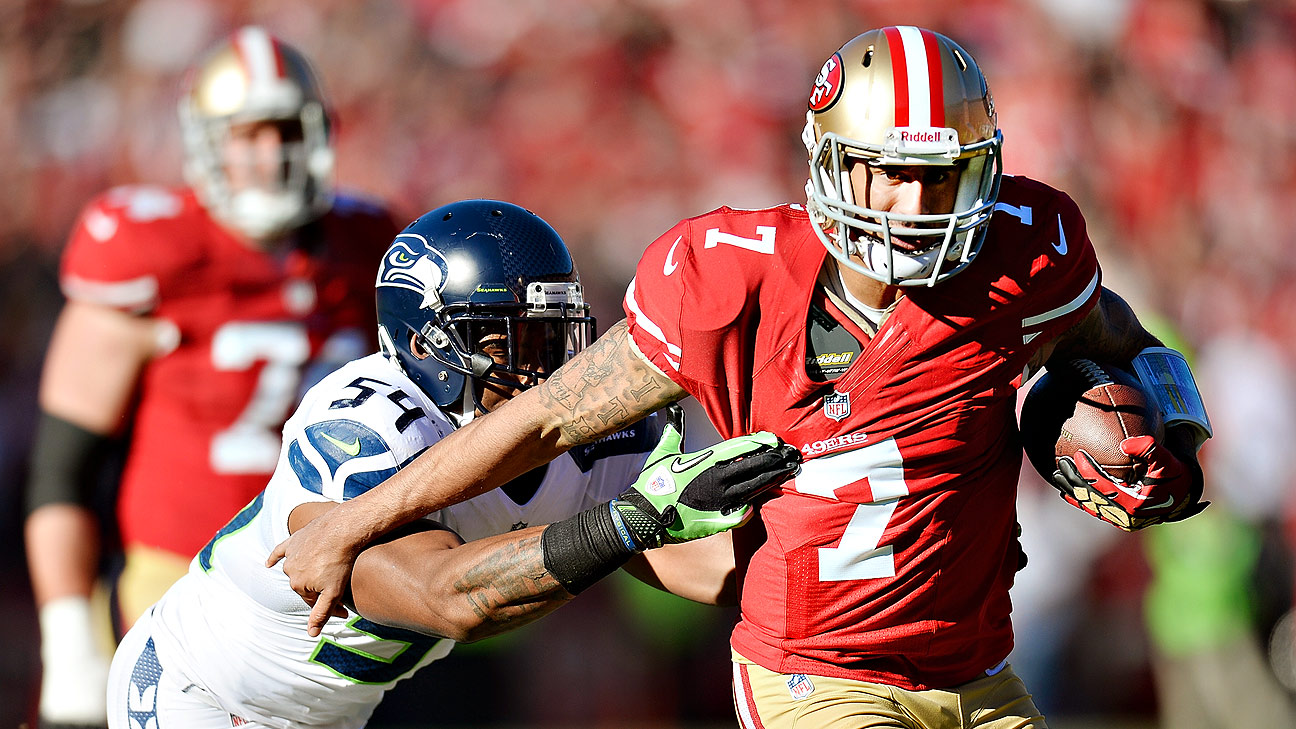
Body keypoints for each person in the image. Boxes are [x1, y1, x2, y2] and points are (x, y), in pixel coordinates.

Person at [273, 26, 1214, 728]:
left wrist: (1168, 421)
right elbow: (544, 420)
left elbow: (1115, 331)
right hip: (820, 672)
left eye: (944, 175)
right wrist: (357, 521)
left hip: (979, 665)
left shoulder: (1023, 248)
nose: (918, 203)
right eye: (889, 172)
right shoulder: (729, 275)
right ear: (834, 161)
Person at [104, 199, 800, 729]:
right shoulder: (364, 421)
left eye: (555, 338)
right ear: (426, 343)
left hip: (332, 713)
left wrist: (824, 520)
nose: (545, 371)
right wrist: (629, 522)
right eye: (510, 341)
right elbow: (450, 598)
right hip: (196, 690)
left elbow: (711, 568)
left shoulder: (585, 442)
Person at [23, 26, 400, 729]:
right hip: (177, 586)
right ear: (206, 141)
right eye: (247, 134)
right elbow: (61, 469)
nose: (270, 155)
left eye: (285, 131)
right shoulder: (148, 249)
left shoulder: (367, 244)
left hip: (329, 590)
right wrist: (70, 638)